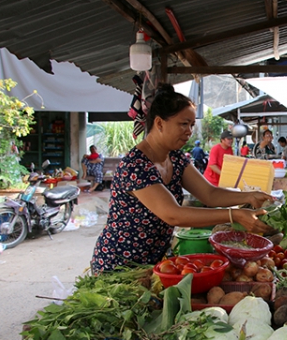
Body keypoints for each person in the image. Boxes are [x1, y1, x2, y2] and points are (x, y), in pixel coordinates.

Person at [90, 84, 272, 274]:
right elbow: (172, 214)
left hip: (153, 262)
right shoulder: (135, 166)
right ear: (159, 123)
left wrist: (249, 197)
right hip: (120, 264)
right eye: (183, 124)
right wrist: (233, 215)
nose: (189, 131)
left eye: (192, 125)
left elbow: (209, 193)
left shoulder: (175, 158)